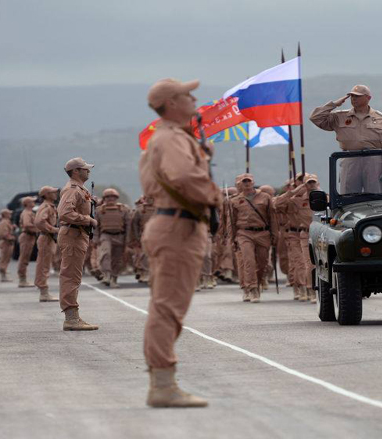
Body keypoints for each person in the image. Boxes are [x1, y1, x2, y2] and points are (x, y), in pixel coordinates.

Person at [139, 77, 223, 407]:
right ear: (172, 103)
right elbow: (183, 177)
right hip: (178, 227)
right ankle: (162, 385)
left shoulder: (171, 139)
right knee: (168, 308)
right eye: (187, 95)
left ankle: (163, 383)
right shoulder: (171, 139)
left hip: (174, 224)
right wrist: (214, 196)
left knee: (168, 305)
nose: (193, 99)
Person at [310, 84, 382, 194]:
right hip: (350, 158)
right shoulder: (340, 116)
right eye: (352, 96)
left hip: (373, 160)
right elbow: (315, 117)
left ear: (368, 98)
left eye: (357, 96)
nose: (354, 99)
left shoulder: (381, 119)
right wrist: (333, 104)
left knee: (376, 196)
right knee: (348, 197)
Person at [58, 157, 100, 331]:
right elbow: (65, 213)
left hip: (77, 234)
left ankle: (73, 316)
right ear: (76, 171)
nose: (88, 171)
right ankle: (71, 318)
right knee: (71, 276)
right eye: (84, 169)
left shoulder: (79, 190)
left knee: (74, 276)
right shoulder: (73, 189)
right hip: (73, 235)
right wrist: (88, 219)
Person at [229, 174, 277, 302]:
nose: (246, 184)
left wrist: (274, 235)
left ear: (252, 182)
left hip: (262, 233)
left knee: (262, 263)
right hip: (244, 233)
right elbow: (232, 222)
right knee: (248, 261)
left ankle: (259, 281)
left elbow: (272, 218)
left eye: (248, 181)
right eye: (243, 182)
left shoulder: (265, 197)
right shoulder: (234, 200)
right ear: (239, 184)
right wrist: (232, 238)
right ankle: (252, 289)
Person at [274, 173, 318, 302]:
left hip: (318, 233)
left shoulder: (322, 197)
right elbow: (276, 204)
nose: (310, 185)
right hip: (299, 234)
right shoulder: (295, 200)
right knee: (303, 263)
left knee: (314, 264)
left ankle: (312, 288)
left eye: (312, 182)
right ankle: (306, 288)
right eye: (307, 182)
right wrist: (293, 191)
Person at [95, 188, 131, 288]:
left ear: (116, 198)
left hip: (120, 236)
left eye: (113, 197)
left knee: (117, 259)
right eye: (108, 197)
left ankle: (114, 279)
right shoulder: (99, 210)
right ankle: (106, 275)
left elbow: (128, 226)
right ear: (104, 198)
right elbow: (96, 226)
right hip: (105, 235)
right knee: (105, 254)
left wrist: (128, 241)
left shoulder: (123, 209)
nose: (110, 199)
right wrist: (96, 239)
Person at [34, 186, 60, 302]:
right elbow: (40, 221)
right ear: (46, 194)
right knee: (44, 265)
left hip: (48, 238)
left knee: (45, 264)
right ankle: (43, 293)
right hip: (46, 238)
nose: (55, 194)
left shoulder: (50, 206)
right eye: (52, 192)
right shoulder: (46, 206)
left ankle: (44, 291)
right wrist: (53, 230)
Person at [130, 196, 155, 283]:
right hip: (144, 235)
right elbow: (134, 225)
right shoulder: (139, 210)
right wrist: (136, 237)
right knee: (144, 255)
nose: (150, 199)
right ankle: (144, 272)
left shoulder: (161, 208)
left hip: (158, 236)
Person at [17, 196, 38, 288]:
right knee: (24, 258)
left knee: (25, 258)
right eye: (32, 201)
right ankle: (22, 279)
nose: (34, 202)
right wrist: (38, 229)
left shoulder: (29, 213)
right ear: (27, 203)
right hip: (27, 236)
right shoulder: (27, 213)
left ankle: (23, 279)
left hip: (30, 236)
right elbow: (27, 225)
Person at [0, 209, 16, 282]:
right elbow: (2, 234)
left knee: (6, 259)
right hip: (6, 242)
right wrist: (11, 237)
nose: (10, 215)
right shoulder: (4, 222)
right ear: (5, 214)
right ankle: (3, 276)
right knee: (4, 259)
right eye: (9, 213)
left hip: (8, 243)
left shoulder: (7, 222)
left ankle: (4, 274)